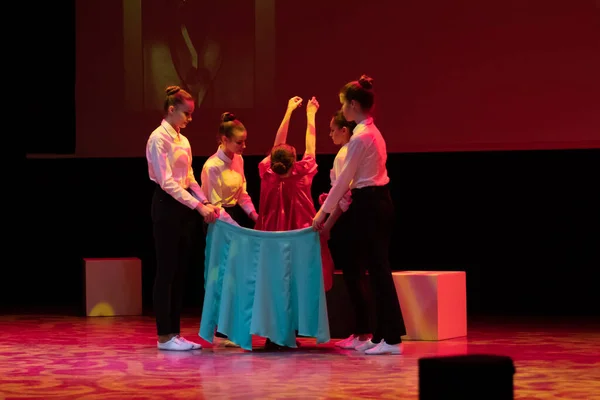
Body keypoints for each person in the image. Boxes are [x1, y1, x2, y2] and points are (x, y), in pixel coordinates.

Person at [313, 75, 406, 355]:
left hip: (371, 203)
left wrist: (322, 214)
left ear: (353, 104)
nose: (342, 109)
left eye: (343, 104)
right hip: (375, 202)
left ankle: (390, 339)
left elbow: (344, 183)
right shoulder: (369, 133)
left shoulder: (361, 137)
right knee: (376, 271)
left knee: (378, 271)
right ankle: (382, 335)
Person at [255, 96, 334, 350]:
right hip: (299, 241)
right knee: (296, 284)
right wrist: (310, 114)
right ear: (293, 160)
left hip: (270, 241)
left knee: (274, 284)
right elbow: (311, 147)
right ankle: (288, 330)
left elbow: (277, 144)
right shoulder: (302, 175)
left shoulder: (266, 173)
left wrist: (288, 111)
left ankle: (275, 333)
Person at [146, 85, 219, 351]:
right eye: (186, 113)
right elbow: (167, 183)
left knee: (179, 270)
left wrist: (205, 201)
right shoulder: (158, 138)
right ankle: (164, 335)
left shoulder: (182, 140)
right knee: (166, 270)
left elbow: (188, 177)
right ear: (171, 110)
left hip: (183, 205)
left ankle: (174, 333)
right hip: (167, 204)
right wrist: (199, 207)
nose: (189, 118)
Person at [317, 111, 372, 350]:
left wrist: (327, 224)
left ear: (344, 130)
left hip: (349, 221)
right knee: (352, 276)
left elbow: (344, 195)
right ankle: (359, 330)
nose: (330, 134)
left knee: (355, 275)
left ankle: (364, 333)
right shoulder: (345, 153)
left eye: (332, 130)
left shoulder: (346, 153)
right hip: (349, 218)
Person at [201, 112, 258, 228]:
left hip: (233, 215)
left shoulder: (238, 158)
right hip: (218, 220)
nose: (244, 146)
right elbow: (216, 206)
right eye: (239, 142)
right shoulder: (212, 167)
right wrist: (235, 228)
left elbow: (241, 193)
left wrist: (254, 215)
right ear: (225, 139)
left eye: (244, 141)